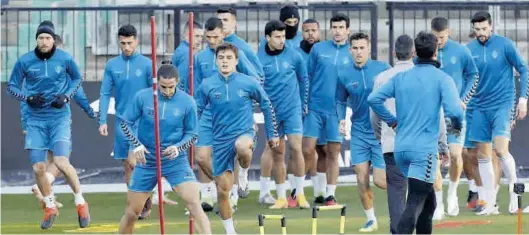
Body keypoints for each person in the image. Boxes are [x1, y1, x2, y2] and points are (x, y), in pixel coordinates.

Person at [368, 31, 464, 234]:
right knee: (414, 203)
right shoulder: (442, 78)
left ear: (416, 53)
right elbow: (454, 111)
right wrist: (452, 133)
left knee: (428, 204)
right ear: (435, 51)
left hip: (401, 150)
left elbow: (374, 100)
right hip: (423, 153)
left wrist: (392, 121)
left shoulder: (401, 77)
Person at [7, 20, 90, 229]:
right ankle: (50, 205)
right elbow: (12, 87)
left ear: (53, 40)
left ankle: (80, 201)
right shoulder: (25, 61)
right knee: (38, 166)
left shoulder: (64, 58)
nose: (44, 41)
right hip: (36, 119)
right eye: (41, 38)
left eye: (48, 38)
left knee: (61, 161)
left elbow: (77, 79)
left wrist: (66, 96)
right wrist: (27, 98)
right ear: (36, 39)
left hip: (59, 117)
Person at [195, 43, 279, 234]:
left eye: (229, 58)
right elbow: (197, 110)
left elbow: (266, 104)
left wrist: (273, 133)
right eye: (221, 58)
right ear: (216, 61)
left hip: (244, 134)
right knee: (223, 192)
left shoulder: (248, 82)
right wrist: (191, 133)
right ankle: (230, 230)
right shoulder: (207, 85)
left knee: (242, 146)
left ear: (237, 61)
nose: (225, 61)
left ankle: (243, 173)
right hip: (220, 140)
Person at [117, 64, 211, 234]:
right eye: (163, 87)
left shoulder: (187, 101)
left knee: (194, 204)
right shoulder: (143, 97)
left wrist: (178, 147)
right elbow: (125, 123)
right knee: (133, 212)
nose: (167, 91)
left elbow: (193, 134)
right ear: (156, 83)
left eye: (171, 87)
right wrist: (136, 144)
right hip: (147, 161)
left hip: (176, 160)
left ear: (178, 82)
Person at [193, 17, 262, 212]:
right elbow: (198, 88)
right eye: (209, 37)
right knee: (202, 156)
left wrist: (249, 113)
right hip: (208, 112)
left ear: (223, 34)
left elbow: (254, 81)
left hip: (234, 112)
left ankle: (231, 191)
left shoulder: (234, 54)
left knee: (236, 152)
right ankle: (216, 189)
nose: (212, 41)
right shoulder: (200, 58)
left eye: (216, 36)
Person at [466, 11, 527, 215]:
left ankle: (514, 192)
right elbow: (465, 79)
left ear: (491, 27)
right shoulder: (469, 50)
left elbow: (523, 69)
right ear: (473, 29)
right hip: (478, 107)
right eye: (477, 29)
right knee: (483, 156)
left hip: (503, 104)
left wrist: (523, 100)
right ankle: (490, 202)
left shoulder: (505, 45)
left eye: (484, 28)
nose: (481, 33)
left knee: (500, 151)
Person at [28, 35, 97, 209]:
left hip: (39, 120)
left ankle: (45, 188)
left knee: (54, 160)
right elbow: (78, 93)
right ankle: (43, 186)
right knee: (62, 160)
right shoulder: (63, 69)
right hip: (58, 120)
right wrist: (90, 112)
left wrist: (25, 122)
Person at [336, 32, 390, 232]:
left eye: (362, 48)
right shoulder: (343, 73)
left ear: (369, 49)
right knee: (361, 178)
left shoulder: (383, 69)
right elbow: (340, 100)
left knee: (381, 181)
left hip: (381, 132)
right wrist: (341, 119)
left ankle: (406, 194)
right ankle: (371, 219)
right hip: (358, 131)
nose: (359, 52)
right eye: (355, 48)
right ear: (350, 50)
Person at [98, 24, 154, 219]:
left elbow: (153, 93)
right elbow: (105, 93)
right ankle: (138, 202)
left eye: (130, 43)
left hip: (143, 120)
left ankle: (143, 199)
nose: (127, 47)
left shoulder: (147, 64)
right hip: (123, 121)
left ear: (137, 41)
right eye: (123, 43)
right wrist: (102, 119)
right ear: (118, 43)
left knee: (135, 160)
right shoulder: (112, 65)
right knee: (128, 165)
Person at [428, 16, 480, 219]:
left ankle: (452, 194)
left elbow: (473, 75)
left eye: (441, 36)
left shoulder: (461, 51)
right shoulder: (425, 51)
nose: (438, 40)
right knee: (433, 159)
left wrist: (464, 98)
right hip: (431, 114)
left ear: (448, 32)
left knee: (456, 155)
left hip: (455, 114)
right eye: (435, 37)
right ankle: (438, 203)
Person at [257, 20, 310, 209]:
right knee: (278, 152)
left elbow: (303, 79)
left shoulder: (294, 56)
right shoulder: (259, 59)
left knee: (296, 147)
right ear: (267, 38)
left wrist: (303, 103)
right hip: (272, 112)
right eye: (277, 37)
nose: (282, 40)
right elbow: (257, 86)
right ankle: (281, 197)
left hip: (292, 108)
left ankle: (300, 194)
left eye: (283, 36)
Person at [302, 13, 351, 205]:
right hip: (314, 108)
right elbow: (307, 76)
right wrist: (305, 102)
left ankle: (328, 194)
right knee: (308, 149)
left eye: (341, 27)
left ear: (348, 30)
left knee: (331, 152)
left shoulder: (352, 51)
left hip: (336, 112)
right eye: (334, 27)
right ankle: (303, 191)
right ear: (330, 29)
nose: (337, 31)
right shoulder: (318, 49)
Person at [217, 7, 265, 198]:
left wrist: (247, 102)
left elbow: (258, 76)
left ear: (234, 22)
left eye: (226, 20)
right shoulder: (212, 48)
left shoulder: (241, 48)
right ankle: (215, 192)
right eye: (219, 20)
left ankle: (236, 188)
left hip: (240, 109)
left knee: (239, 149)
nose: (222, 24)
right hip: (217, 108)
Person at [172, 21, 204, 93]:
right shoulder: (187, 53)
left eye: (201, 36)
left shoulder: (183, 49)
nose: (200, 40)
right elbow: (181, 80)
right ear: (186, 35)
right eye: (197, 36)